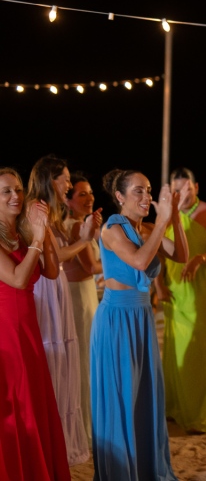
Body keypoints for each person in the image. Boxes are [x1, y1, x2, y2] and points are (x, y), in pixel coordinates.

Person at [90, 169, 188, 480]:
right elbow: (139, 262)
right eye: (138, 191)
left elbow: (182, 255)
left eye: (148, 191)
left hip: (142, 319)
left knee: (145, 397)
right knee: (121, 398)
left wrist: (172, 219)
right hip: (117, 320)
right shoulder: (112, 229)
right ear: (119, 197)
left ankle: (145, 469)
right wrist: (160, 225)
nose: (146, 197)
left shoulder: (148, 228)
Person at [27, 155, 101, 466]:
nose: (69, 185)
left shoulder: (53, 215)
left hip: (56, 289)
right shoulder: (37, 209)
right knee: (53, 357)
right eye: (65, 180)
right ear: (49, 179)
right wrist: (85, 240)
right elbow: (53, 260)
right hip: (45, 288)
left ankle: (62, 434)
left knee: (67, 360)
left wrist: (85, 239)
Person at [0, 167, 71, 480]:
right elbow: (17, 279)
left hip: (28, 328)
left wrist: (46, 234)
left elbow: (52, 272)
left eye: (17, 189)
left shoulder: (24, 233)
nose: (15, 196)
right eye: (5, 191)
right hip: (6, 333)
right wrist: (38, 239)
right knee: (18, 402)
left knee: (35, 398)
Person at [155, 167, 206, 433]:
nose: (182, 194)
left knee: (204, 347)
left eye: (186, 188)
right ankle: (177, 408)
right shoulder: (166, 216)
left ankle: (204, 413)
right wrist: (159, 284)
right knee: (177, 348)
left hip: (205, 290)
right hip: (176, 290)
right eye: (176, 190)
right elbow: (158, 251)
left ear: (196, 187)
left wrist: (200, 258)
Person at [63, 172, 103, 447]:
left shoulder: (79, 225)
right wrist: (126, 261)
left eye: (90, 193)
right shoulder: (77, 227)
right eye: (81, 194)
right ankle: (85, 430)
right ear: (68, 201)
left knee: (85, 360)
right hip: (80, 297)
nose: (89, 198)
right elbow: (90, 267)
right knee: (85, 363)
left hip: (86, 293)